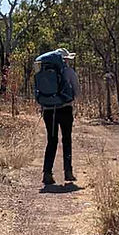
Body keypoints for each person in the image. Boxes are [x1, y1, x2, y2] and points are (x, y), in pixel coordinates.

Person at [34, 48, 79, 185]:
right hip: (65, 109)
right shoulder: (68, 71)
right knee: (66, 139)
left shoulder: (41, 72)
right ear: (64, 59)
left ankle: (47, 173)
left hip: (48, 110)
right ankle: (68, 172)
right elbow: (77, 90)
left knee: (51, 141)